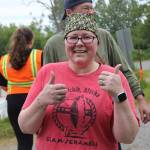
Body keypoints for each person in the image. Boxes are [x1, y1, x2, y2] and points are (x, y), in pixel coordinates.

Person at [18, 13, 139, 150]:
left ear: (97, 43)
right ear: (65, 42)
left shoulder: (114, 77)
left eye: (87, 37)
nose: (79, 43)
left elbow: (127, 137)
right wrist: (41, 101)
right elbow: (25, 127)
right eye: (73, 37)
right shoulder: (47, 72)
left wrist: (119, 96)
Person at [43, 0, 150, 124]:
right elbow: (46, 86)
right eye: (86, 8)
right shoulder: (53, 44)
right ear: (69, 12)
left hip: (106, 116)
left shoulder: (104, 36)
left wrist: (141, 100)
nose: (91, 12)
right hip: (69, 117)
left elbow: (123, 70)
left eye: (91, 8)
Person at [0, 27, 42, 150]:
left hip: (13, 102)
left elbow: (3, 84)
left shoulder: (3, 60)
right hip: (35, 101)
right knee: (45, 137)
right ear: (31, 40)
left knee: (23, 143)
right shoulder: (39, 56)